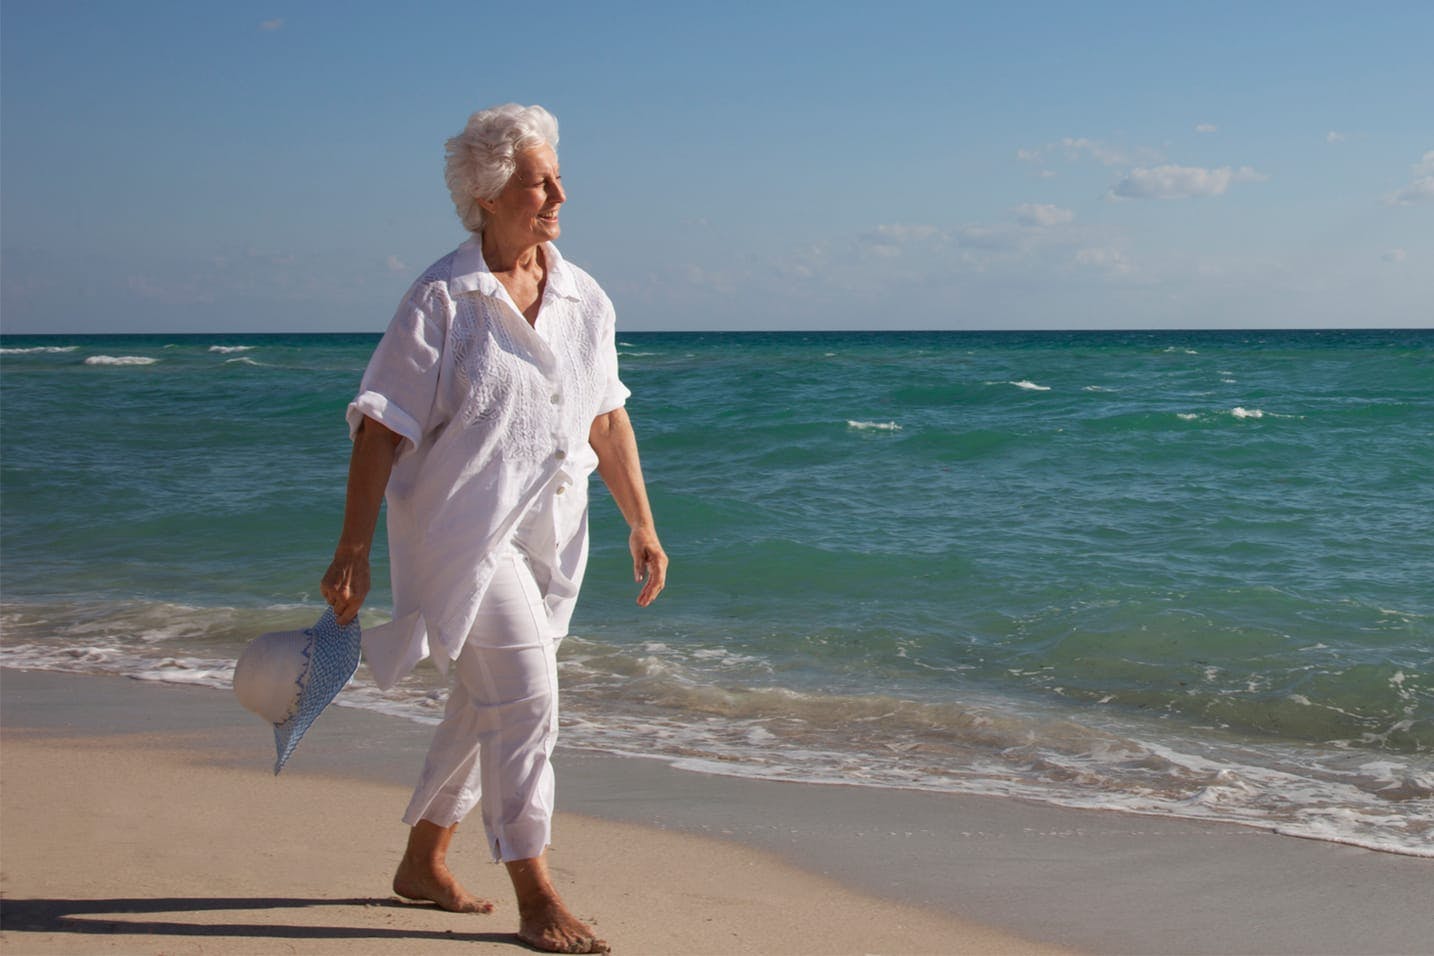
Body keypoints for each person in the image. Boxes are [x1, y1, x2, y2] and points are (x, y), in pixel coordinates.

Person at [320, 103, 667, 955]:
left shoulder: (585, 297)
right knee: (528, 704)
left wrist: (642, 525)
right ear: (485, 194)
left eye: (554, 177)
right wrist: (353, 549)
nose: (556, 193)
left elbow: (607, 419)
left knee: (486, 703)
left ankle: (421, 862)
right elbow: (383, 424)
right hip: (462, 537)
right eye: (534, 181)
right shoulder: (444, 297)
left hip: (553, 536)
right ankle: (536, 889)